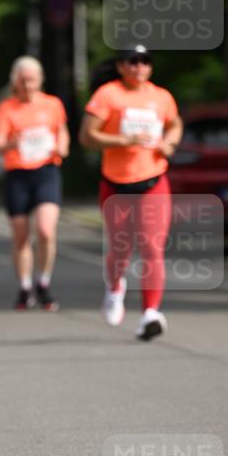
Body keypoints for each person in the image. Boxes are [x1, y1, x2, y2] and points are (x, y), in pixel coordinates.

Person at [78, 44, 183, 340]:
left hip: (153, 181)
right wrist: (123, 140)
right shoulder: (108, 94)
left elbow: (175, 124)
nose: (139, 67)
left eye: (145, 61)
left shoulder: (161, 97)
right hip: (116, 183)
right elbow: (87, 136)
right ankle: (115, 287)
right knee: (121, 247)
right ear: (121, 66)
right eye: (132, 61)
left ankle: (151, 312)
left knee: (152, 247)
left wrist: (169, 144)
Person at [0, 56, 70, 310]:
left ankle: (43, 282)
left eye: (32, 80)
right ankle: (25, 286)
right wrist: (16, 142)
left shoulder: (53, 104)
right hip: (18, 174)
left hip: (46, 171)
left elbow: (62, 130)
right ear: (16, 81)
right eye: (23, 80)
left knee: (46, 230)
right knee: (21, 235)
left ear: (40, 80)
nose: (28, 85)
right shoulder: (7, 108)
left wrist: (62, 146)